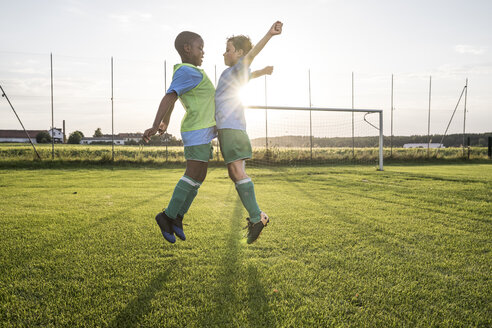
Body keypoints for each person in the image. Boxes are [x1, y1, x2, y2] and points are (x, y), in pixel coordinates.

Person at [143, 31, 216, 244]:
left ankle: (177, 217)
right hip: (197, 130)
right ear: (187, 48)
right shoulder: (187, 71)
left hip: (202, 131)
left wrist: (165, 121)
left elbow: (174, 99)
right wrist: (156, 124)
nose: (203, 52)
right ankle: (166, 216)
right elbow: (170, 96)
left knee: (199, 177)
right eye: (199, 47)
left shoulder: (190, 72)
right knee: (192, 174)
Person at [215, 21, 283, 244]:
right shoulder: (232, 72)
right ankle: (256, 217)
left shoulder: (239, 66)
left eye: (229, 49)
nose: (225, 53)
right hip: (232, 130)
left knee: (237, 172)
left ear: (240, 53)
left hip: (232, 130)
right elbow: (247, 73)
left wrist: (269, 34)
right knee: (235, 174)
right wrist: (261, 73)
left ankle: (258, 217)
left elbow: (252, 55)